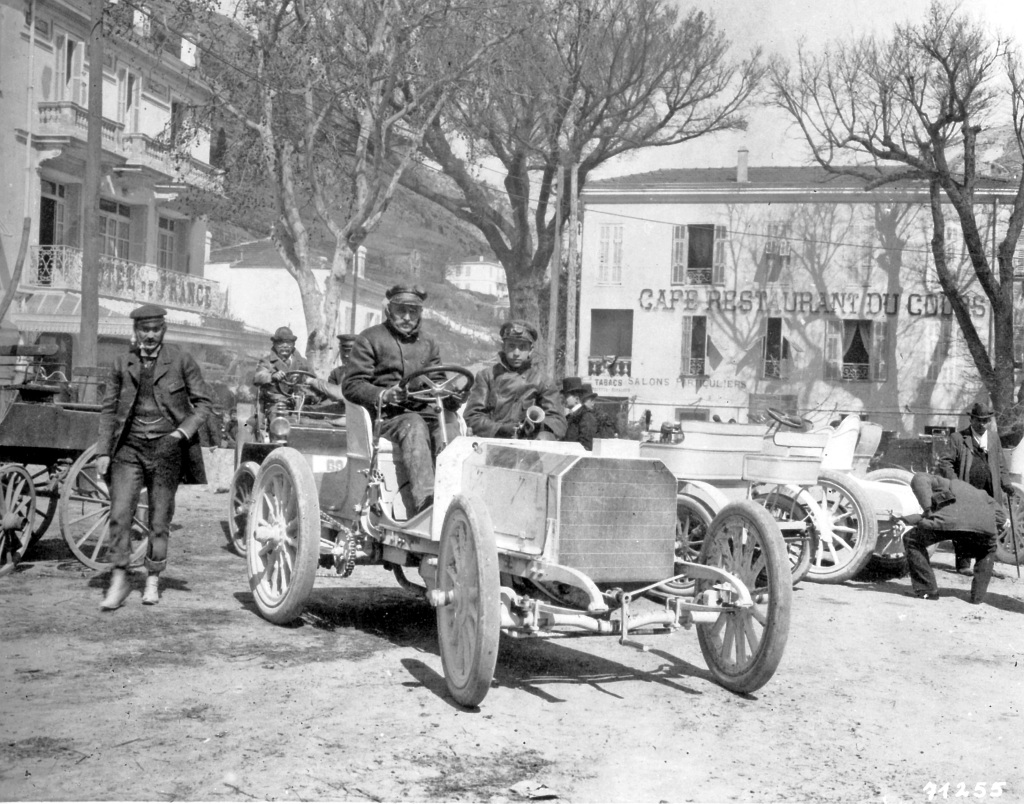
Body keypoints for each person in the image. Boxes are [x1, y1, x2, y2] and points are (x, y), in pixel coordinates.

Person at [96, 304, 213, 610]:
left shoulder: (181, 360)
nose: (149, 335)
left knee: (159, 520)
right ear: (135, 332)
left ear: (164, 330)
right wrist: (103, 452)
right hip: (128, 449)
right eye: (144, 330)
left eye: (155, 329)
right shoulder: (122, 362)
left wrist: (179, 435)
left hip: (166, 450)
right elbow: (109, 410)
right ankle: (118, 580)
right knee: (120, 513)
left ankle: (152, 580)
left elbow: (203, 405)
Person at [342, 284, 468, 516]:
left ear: (420, 313)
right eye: (401, 311)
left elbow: (437, 382)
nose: (408, 317)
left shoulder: (428, 343)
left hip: (423, 413)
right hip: (385, 417)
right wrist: (384, 394)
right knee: (413, 424)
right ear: (389, 311)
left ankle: (454, 499)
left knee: (449, 428)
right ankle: (427, 503)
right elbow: (352, 385)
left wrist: (453, 396)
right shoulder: (370, 339)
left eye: (413, 311)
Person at [936, 401, 1012, 576]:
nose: (982, 424)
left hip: (990, 491)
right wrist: (956, 484)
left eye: (986, 420)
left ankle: (985, 566)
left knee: (989, 527)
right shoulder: (958, 438)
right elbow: (945, 462)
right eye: (979, 420)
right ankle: (963, 565)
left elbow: (1001, 464)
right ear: (971, 419)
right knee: (964, 525)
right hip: (967, 489)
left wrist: (1006, 483)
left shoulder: (993, 438)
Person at [899, 473, 1000, 604]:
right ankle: (977, 598)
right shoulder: (981, 493)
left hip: (949, 523)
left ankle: (927, 590)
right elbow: (1001, 515)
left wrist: (929, 510)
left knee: (912, 539)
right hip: (983, 528)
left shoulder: (940, 482)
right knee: (988, 549)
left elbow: (920, 479)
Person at [463, 320, 566, 440]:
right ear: (503, 347)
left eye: (522, 347)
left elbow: (558, 421)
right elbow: (472, 416)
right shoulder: (487, 376)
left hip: (528, 446)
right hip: (492, 443)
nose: (516, 353)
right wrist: (500, 429)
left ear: (530, 350)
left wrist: (538, 428)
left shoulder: (542, 381)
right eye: (511, 346)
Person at [252, 326, 316, 420]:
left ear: (293, 344)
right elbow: (258, 377)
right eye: (281, 343)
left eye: (289, 343)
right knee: (279, 421)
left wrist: (308, 383)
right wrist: (272, 376)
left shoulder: (303, 362)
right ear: (274, 344)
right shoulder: (266, 361)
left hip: (300, 402)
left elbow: (313, 378)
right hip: (275, 403)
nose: (285, 345)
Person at [561, 377, 598, 451]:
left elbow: (587, 445)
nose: (564, 399)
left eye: (566, 396)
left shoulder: (586, 416)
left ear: (577, 399)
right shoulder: (569, 417)